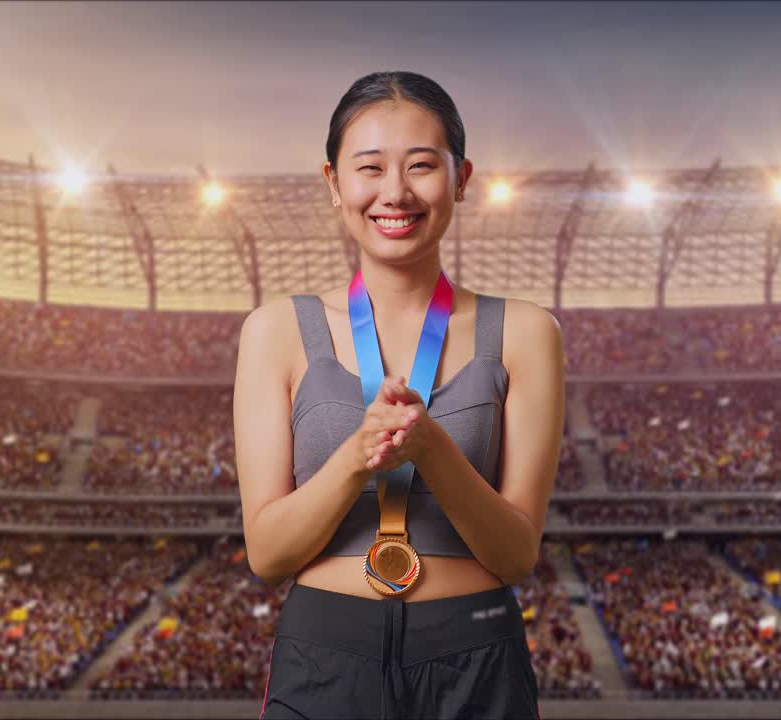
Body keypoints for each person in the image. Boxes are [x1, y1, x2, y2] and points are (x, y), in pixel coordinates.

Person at [234, 70, 564, 719]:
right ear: (334, 182)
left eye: (420, 166)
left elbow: (515, 554)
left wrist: (433, 448)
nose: (395, 192)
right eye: (369, 168)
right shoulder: (275, 332)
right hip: (325, 656)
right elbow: (268, 554)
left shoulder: (526, 332)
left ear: (461, 177)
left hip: (476, 654)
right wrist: (358, 455)